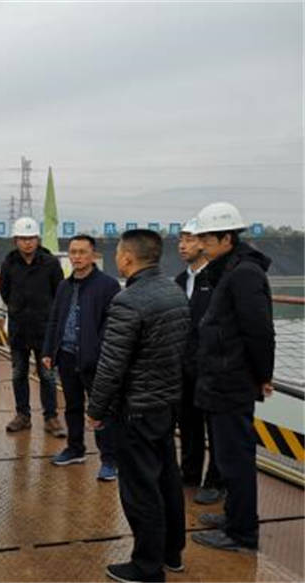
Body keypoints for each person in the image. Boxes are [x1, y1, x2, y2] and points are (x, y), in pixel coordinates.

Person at [87, 229, 189, 583]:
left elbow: (111, 365)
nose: (116, 257)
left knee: (140, 489)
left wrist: (96, 409)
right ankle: (172, 552)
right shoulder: (174, 292)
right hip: (166, 405)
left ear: (128, 258)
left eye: (118, 252)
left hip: (135, 410)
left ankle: (146, 566)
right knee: (167, 480)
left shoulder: (128, 301)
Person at [189, 202, 275, 552]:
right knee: (227, 457)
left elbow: (259, 331)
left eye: (207, 239)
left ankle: (242, 533)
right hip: (220, 379)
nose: (200, 246)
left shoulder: (244, 274)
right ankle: (233, 516)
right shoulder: (228, 269)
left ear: (227, 239)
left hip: (231, 381)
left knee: (236, 458)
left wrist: (263, 375)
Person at [42, 235, 121, 481]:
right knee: (72, 406)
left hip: (94, 360)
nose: (76, 257)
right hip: (66, 356)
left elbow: (112, 324)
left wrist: (98, 351)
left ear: (93, 255)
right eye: (73, 252)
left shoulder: (108, 286)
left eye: (82, 252)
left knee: (102, 410)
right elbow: (55, 319)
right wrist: (48, 351)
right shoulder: (64, 286)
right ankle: (75, 449)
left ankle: (109, 459)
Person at [0, 216, 65, 437]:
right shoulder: (9, 264)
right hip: (19, 329)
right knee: (19, 373)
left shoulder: (50, 263)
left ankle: (51, 417)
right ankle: (23, 415)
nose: (27, 243)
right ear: (15, 240)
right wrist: (18, 309)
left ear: (38, 239)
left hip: (44, 331)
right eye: (23, 238)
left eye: (31, 238)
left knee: (47, 375)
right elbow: (5, 292)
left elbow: (59, 293)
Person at [174, 219, 223, 504]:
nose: (183, 245)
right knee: (188, 422)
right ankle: (189, 473)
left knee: (215, 428)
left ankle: (215, 481)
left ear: (204, 242)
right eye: (181, 239)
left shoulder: (217, 279)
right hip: (184, 366)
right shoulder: (180, 281)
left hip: (211, 368)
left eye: (190, 239)